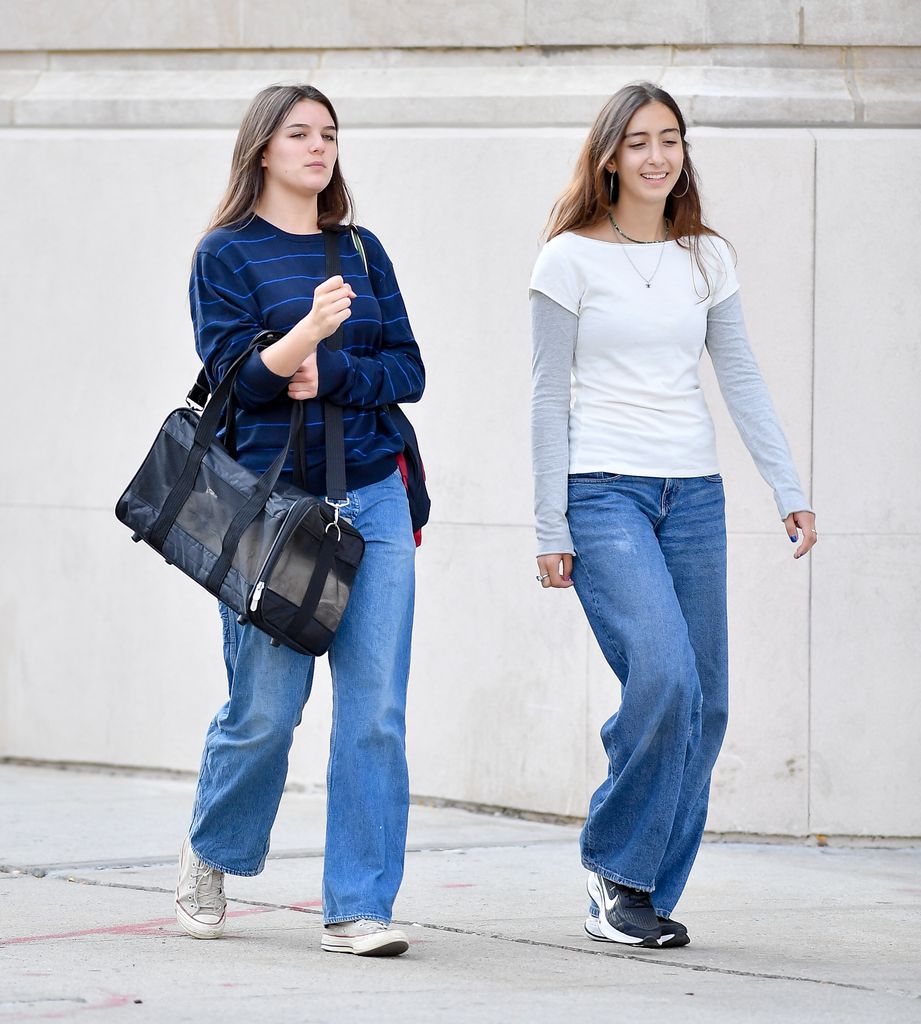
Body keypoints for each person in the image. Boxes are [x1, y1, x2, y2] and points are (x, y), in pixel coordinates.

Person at [529, 82, 816, 949]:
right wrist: (549, 524)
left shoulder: (706, 258)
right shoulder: (567, 259)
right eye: (640, 141)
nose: (658, 156)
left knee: (709, 702)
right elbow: (547, 397)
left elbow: (740, 375)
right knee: (664, 676)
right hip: (602, 490)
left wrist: (787, 485)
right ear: (608, 155)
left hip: (692, 493)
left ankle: (640, 889)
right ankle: (613, 867)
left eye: (672, 140)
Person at [175, 84, 424, 957]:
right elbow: (234, 379)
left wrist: (339, 373)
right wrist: (302, 341)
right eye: (298, 134)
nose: (318, 147)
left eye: (328, 134)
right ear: (262, 149)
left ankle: (358, 905)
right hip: (274, 514)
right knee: (267, 713)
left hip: (374, 498)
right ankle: (213, 848)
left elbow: (408, 369)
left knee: (375, 713)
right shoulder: (226, 253)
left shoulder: (360, 248)